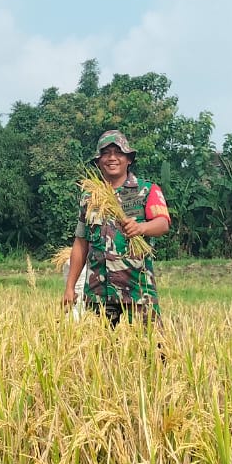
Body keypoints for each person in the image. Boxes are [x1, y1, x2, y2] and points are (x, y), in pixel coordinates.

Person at [63, 130, 171, 326]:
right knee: (98, 353)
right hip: (98, 293)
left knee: (152, 351)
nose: (112, 158)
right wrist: (70, 287)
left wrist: (141, 228)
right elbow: (80, 243)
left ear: (128, 159)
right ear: (98, 161)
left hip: (137, 290)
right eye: (106, 153)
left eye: (118, 152)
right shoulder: (89, 197)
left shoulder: (146, 190)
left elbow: (163, 223)